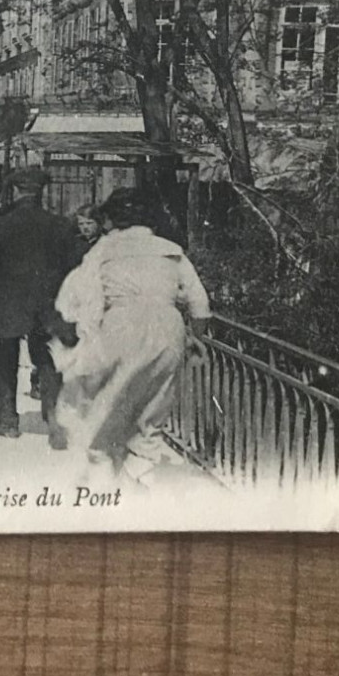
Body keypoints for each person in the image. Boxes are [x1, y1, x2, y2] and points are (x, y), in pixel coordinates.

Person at [51, 186, 212, 480]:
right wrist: (194, 337)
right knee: (155, 405)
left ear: (113, 219)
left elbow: (78, 298)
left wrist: (83, 335)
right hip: (168, 328)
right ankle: (143, 471)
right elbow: (200, 304)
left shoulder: (103, 250)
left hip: (121, 327)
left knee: (109, 402)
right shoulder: (171, 250)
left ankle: (105, 472)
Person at [0, 168, 78, 447]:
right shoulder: (62, 226)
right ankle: (52, 416)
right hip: (48, 305)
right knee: (47, 361)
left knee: (5, 363)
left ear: (16, 191)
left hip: (5, 307)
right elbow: (74, 269)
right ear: (40, 192)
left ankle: (8, 423)